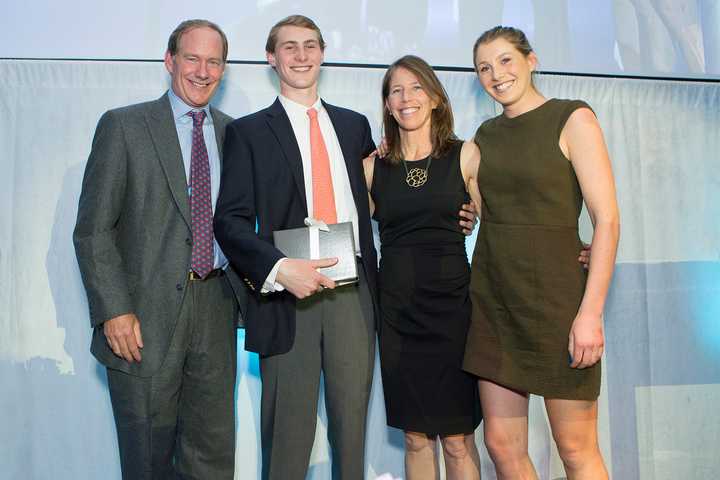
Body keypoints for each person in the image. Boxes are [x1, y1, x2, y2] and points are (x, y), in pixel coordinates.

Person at [214, 16, 476, 480]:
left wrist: (462, 211)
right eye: (289, 47)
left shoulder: (355, 128)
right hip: (288, 294)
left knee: (351, 433)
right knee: (288, 440)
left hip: (355, 293)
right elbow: (229, 223)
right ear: (271, 58)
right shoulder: (249, 132)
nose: (300, 55)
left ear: (322, 53)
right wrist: (279, 269)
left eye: (310, 45)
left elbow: (398, 197)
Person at [73, 19, 246, 480]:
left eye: (214, 61)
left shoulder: (237, 135)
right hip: (141, 319)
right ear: (170, 61)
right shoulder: (124, 126)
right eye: (192, 58)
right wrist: (113, 310)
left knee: (211, 459)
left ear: (224, 69)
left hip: (216, 311)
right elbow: (93, 230)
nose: (202, 71)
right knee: (148, 458)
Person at [463, 26, 620, 479]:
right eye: (484, 68)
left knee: (575, 448)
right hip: (495, 301)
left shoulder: (573, 118)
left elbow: (607, 220)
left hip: (558, 304)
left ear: (531, 60)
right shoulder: (485, 135)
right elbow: (488, 209)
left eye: (506, 60)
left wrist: (590, 314)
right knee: (501, 444)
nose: (496, 74)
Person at [363, 55, 483, 480]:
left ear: (434, 98)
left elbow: (504, 223)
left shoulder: (466, 155)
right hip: (397, 315)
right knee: (415, 438)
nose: (406, 97)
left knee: (457, 439)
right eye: (396, 90)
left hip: (454, 315)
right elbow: (348, 237)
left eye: (416, 88)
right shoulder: (372, 168)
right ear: (388, 104)